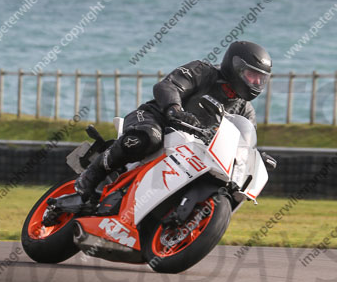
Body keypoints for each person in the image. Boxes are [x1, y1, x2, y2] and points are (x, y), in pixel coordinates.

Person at [74, 40, 272, 201]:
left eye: (260, 78)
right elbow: (168, 86)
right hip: (156, 119)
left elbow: (243, 141)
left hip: (192, 149)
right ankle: (91, 176)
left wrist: (253, 156)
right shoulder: (203, 71)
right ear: (236, 67)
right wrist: (174, 109)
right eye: (251, 75)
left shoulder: (245, 110)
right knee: (148, 138)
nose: (255, 83)